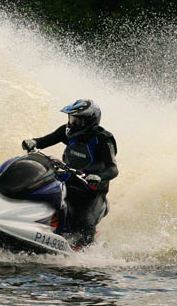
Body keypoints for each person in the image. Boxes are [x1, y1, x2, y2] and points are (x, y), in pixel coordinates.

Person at [21, 99, 118, 248]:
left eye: (77, 121)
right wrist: (33, 142)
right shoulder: (67, 131)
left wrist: (98, 177)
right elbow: (44, 141)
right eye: (71, 119)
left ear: (90, 122)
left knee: (84, 220)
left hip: (91, 191)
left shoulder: (104, 139)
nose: (72, 124)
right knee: (34, 188)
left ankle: (86, 250)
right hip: (67, 180)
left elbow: (113, 169)